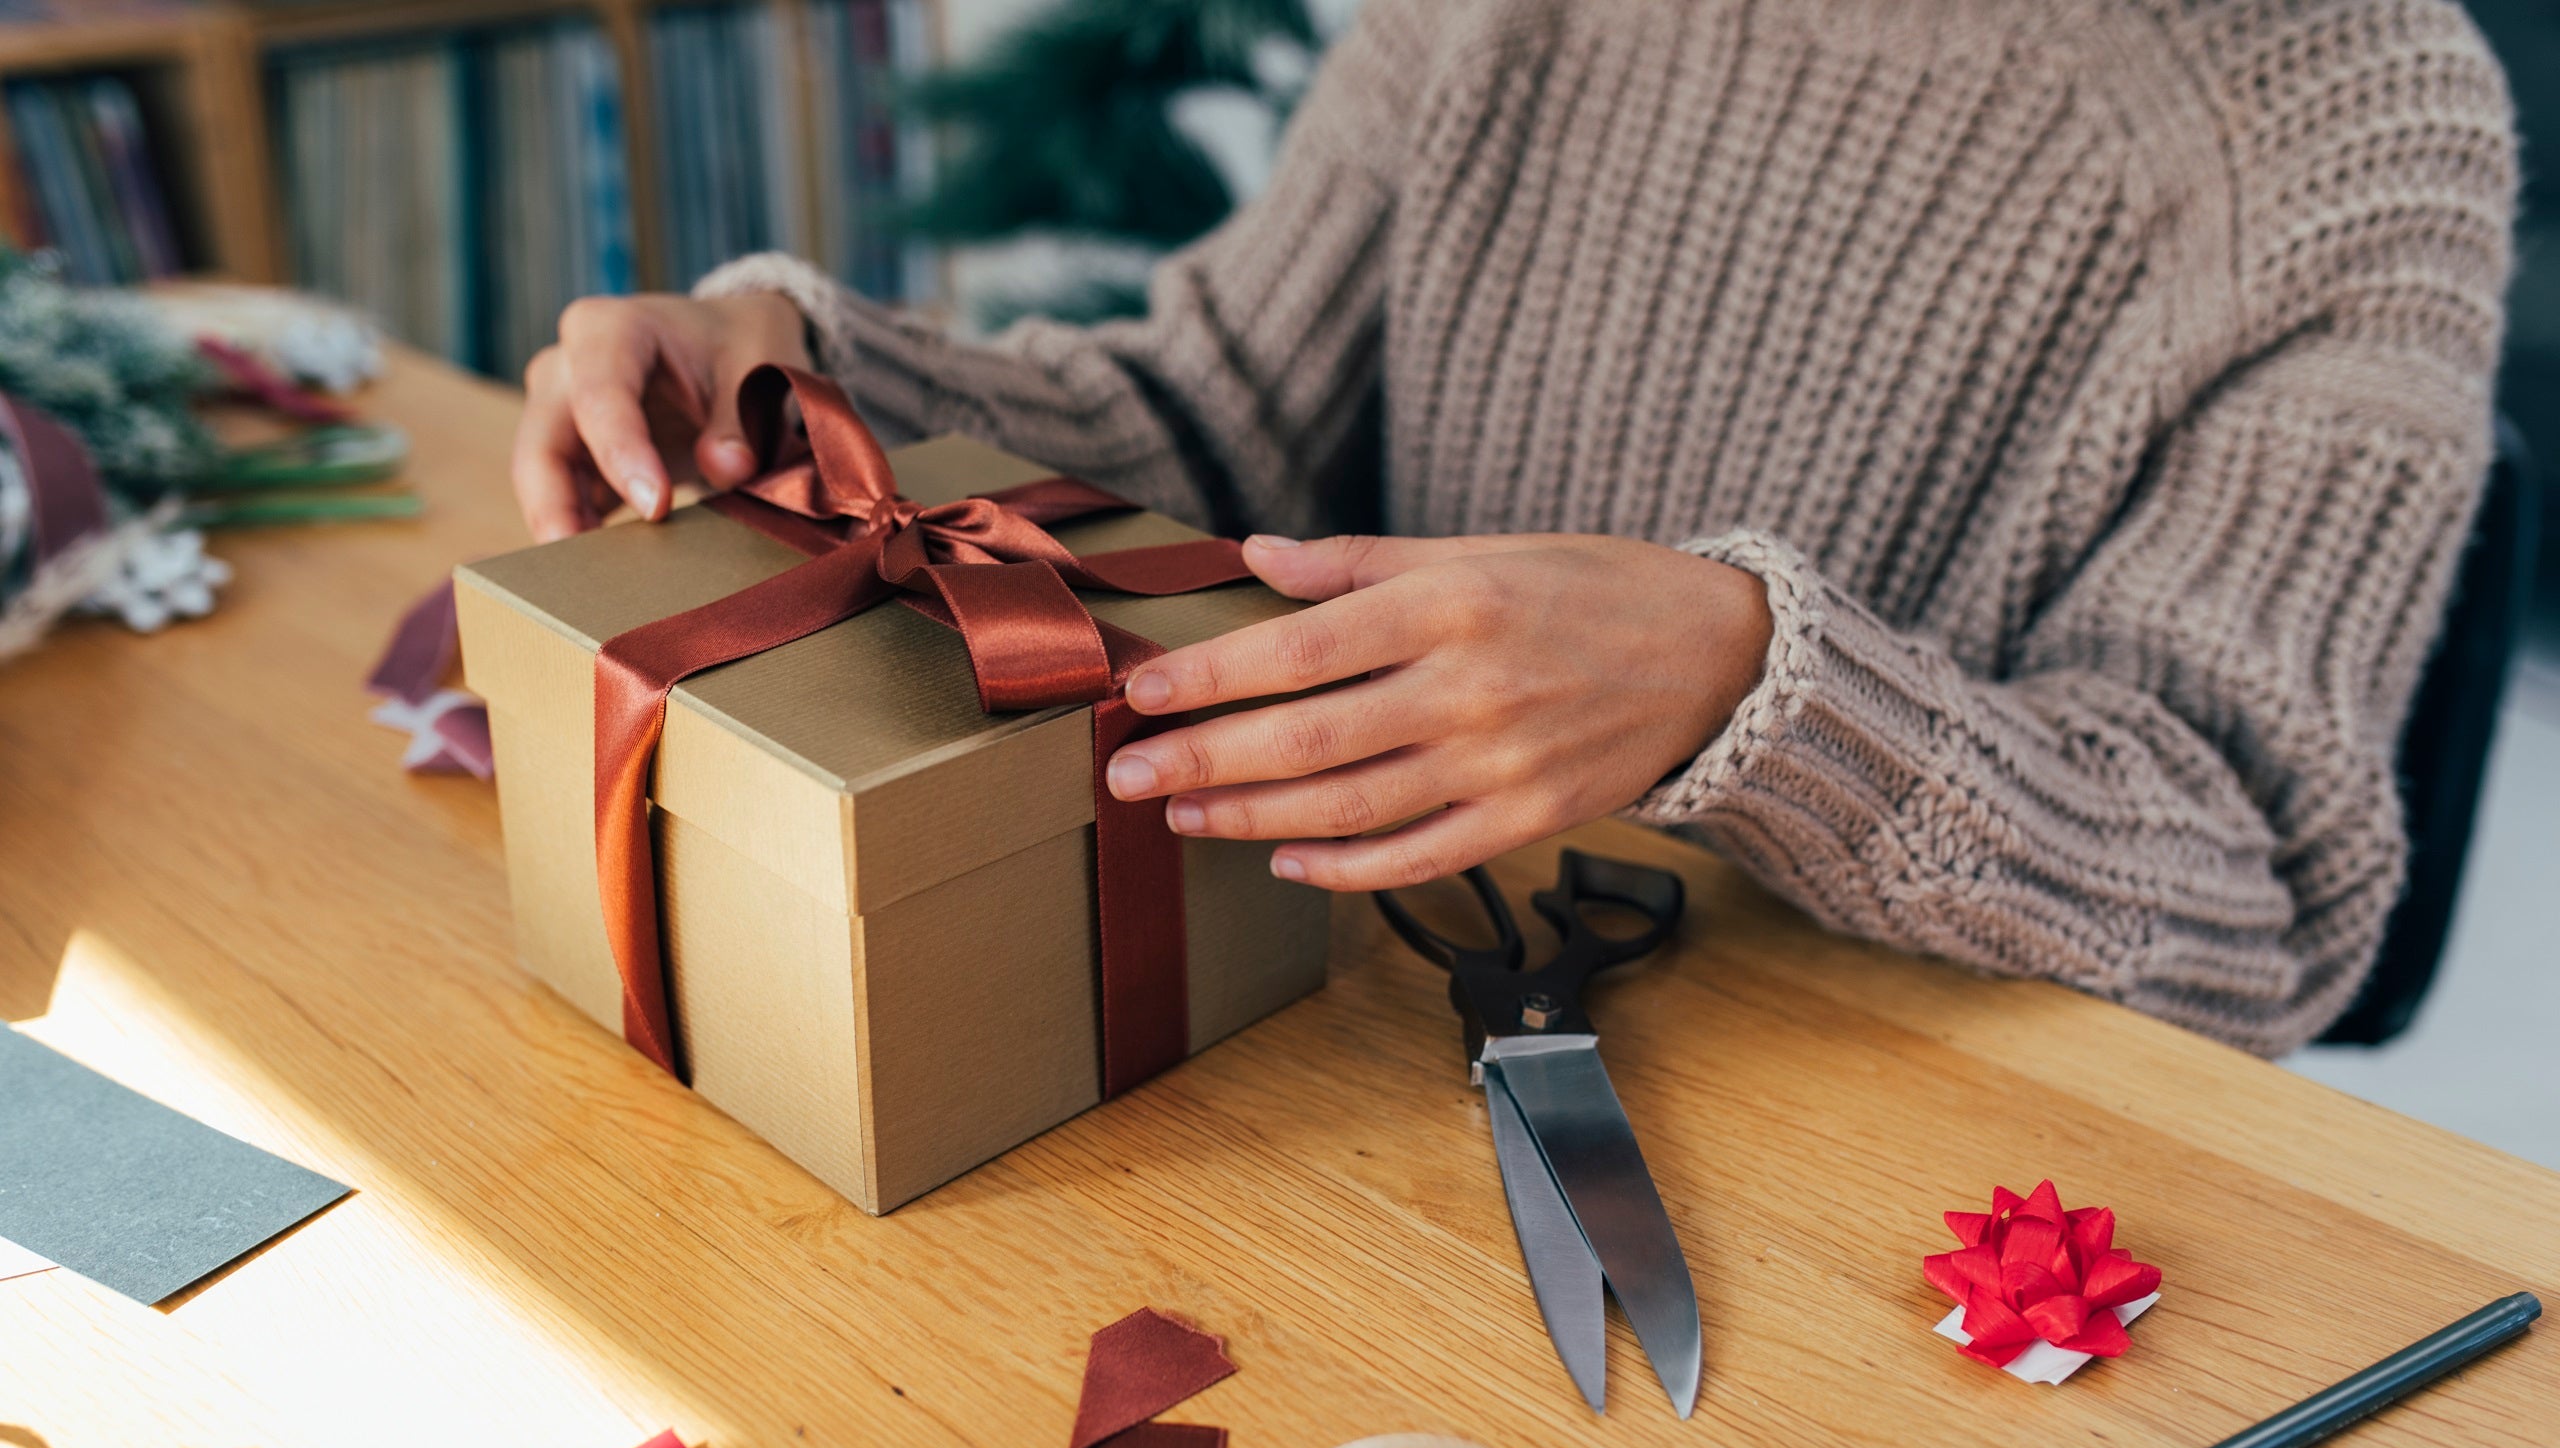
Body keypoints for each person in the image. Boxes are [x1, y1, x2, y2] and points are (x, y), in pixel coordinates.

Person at [512, 0, 2517, 1058]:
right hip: (1380, 1014)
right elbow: (1215, 421)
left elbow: (2254, 904)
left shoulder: (2345, 120)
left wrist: (1754, 685)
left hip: (1906, 1137)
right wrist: (810, 369)